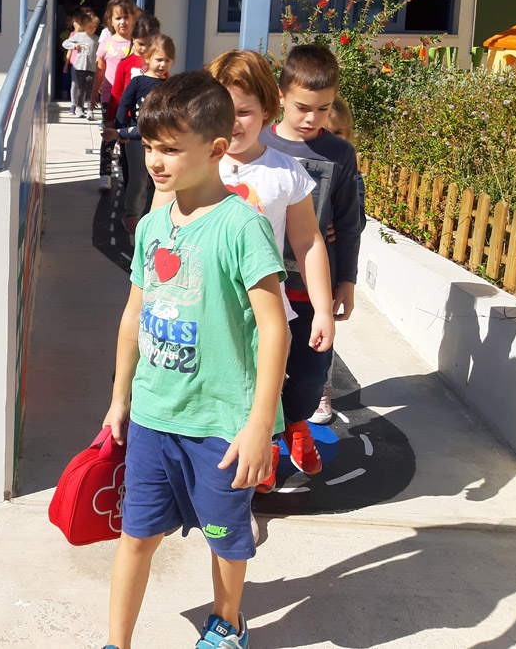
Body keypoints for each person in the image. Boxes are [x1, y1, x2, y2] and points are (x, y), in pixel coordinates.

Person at [101, 71, 289, 649]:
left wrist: (259, 425)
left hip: (221, 425)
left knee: (224, 538)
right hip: (154, 416)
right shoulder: (152, 227)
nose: (155, 161)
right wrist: (119, 399)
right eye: (149, 146)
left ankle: (227, 623)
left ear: (215, 149)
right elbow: (133, 316)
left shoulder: (242, 226)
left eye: (171, 149)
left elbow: (274, 328)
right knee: (136, 534)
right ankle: (116, 643)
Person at [207, 50, 336, 490]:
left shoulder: (286, 173)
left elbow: (308, 241)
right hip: (206, 309)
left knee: (274, 390)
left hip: (265, 315)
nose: (231, 123)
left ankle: (264, 454)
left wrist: (322, 309)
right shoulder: (199, 163)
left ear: (267, 108)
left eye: (243, 112)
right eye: (221, 110)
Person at [258, 44, 362, 476]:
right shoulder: (257, 142)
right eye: (302, 107)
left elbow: (349, 222)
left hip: (311, 287)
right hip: (261, 285)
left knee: (310, 373)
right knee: (259, 369)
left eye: (323, 108)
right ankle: (265, 443)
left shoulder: (339, 154)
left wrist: (347, 281)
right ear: (281, 95)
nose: (312, 118)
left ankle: (296, 421)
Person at [309, 94, 366, 426]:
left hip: (328, 267)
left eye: (339, 133)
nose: (332, 140)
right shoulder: (303, 165)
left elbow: (356, 221)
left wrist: (348, 280)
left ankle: (322, 389)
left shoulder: (350, 173)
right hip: (295, 265)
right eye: (326, 132)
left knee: (323, 330)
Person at [105, 33, 175, 233]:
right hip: (137, 137)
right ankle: (133, 215)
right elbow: (124, 105)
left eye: (167, 60)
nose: (162, 64)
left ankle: (155, 215)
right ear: (148, 58)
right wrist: (121, 131)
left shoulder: (169, 86)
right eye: (158, 59)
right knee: (138, 180)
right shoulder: (138, 82)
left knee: (160, 180)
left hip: (161, 140)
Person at [92, 0, 136, 191]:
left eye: (126, 17)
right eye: (118, 18)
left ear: (133, 19)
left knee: (128, 136)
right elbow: (100, 69)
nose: (122, 22)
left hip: (132, 99)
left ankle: (127, 173)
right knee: (109, 134)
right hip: (110, 98)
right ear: (110, 20)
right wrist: (94, 92)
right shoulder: (106, 43)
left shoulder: (136, 44)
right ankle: (105, 173)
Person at [63, 5, 100, 119]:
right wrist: (75, 46)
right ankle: (78, 107)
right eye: (90, 27)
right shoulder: (78, 36)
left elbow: (99, 51)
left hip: (91, 68)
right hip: (79, 67)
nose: (92, 29)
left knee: (90, 89)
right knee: (80, 88)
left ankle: (90, 109)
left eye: (94, 27)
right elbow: (65, 43)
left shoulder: (96, 38)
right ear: (84, 26)